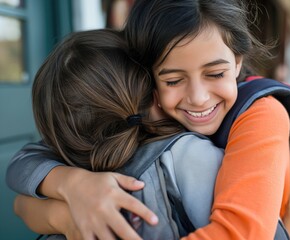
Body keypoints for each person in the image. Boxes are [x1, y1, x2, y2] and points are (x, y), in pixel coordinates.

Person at [7, 0, 290, 239]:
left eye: (216, 74)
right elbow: (22, 189)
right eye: (173, 80)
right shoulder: (133, 123)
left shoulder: (261, 116)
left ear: (238, 62)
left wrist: (62, 215)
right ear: (146, 79)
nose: (198, 98)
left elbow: (240, 233)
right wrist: (74, 186)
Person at [9, 29, 224, 239]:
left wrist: (70, 184)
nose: (197, 97)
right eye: (171, 80)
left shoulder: (72, 156)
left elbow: (20, 183)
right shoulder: (190, 156)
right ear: (149, 89)